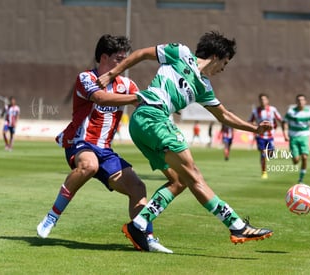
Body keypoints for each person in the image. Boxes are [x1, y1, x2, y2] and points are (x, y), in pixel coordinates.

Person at [97, 31, 274, 251]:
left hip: (144, 123)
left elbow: (224, 115)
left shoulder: (204, 86)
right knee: (194, 175)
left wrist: (254, 128)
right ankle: (236, 225)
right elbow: (142, 54)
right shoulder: (180, 52)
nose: (223, 69)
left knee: (178, 181)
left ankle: (139, 224)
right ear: (217, 55)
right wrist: (112, 74)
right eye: (225, 63)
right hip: (152, 116)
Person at [36, 34, 172, 253]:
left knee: (138, 187)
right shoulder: (86, 78)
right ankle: (52, 216)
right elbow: (100, 98)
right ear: (104, 57)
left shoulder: (127, 85)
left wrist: (165, 105)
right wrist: (140, 97)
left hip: (106, 151)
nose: (124, 63)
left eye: (126, 59)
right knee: (89, 165)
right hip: (80, 143)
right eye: (120, 59)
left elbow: (145, 109)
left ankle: (147, 237)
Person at [282, 94, 310, 184]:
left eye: (302, 100)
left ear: (305, 102)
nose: (300, 102)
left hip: (304, 136)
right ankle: (295, 157)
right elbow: (285, 122)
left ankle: (301, 179)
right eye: (298, 100)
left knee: (305, 157)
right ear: (296, 102)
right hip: (293, 137)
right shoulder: (291, 112)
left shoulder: (309, 112)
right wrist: (285, 134)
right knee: (296, 161)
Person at [248, 94, 282, 179]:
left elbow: (280, 119)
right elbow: (249, 121)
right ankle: (264, 172)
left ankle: (272, 151)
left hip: (270, 136)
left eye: (264, 99)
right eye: (261, 100)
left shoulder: (272, 110)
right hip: (260, 136)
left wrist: (284, 129)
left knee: (270, 154)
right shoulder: (255, 111)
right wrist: (255, 126)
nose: (262, 101)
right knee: (263, 154)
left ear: (267, 100)